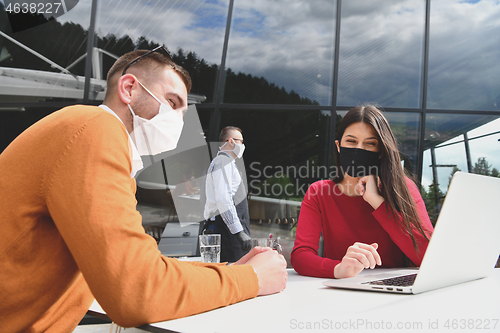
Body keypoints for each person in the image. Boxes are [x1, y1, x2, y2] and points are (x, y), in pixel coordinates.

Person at [0, 47, 287, 332]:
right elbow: (136, 289)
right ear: (128, 89)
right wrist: (252, 278)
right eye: (172, 103)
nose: (178, 120)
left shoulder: (86, 135)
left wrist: (231, 272)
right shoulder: (94, 130)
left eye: (184, 112)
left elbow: (139, 265)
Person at [291, 105, 434, 279]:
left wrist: (377, 201)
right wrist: (339, 269)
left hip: (394, 291)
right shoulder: (319, 192)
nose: (359, 149)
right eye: (351, 141)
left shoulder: (403, 188)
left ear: (380, 151)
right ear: (338, 146)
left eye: (370, 144)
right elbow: (301, 256)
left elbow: (430, 256)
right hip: (341, 289)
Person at [203, 126, 252, 262]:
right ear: (231, 141)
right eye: (240, 141)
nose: (242, 145)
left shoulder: (225, 162)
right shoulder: (223, 162)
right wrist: (238, 232)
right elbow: (223, 198)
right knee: (231, 275)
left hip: (226, 229)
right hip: (226, 231)